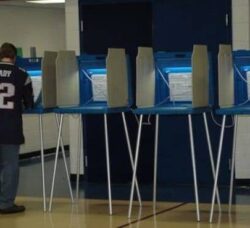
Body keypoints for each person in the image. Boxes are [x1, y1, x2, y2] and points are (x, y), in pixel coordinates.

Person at [0, 43, 34, 214]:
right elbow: (29, 103)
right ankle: (5, 203)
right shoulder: (22, 75)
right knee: (10, 166)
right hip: (10, 128)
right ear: (14, 57)